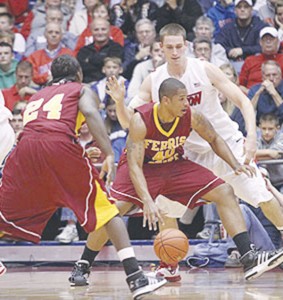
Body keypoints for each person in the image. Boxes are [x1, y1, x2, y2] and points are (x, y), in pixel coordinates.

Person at [105, 23, 283, 279]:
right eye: (169, 47)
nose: (175, 52)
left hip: (225, 143)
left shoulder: (203, 68)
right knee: (167, 209)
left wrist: (252, 137)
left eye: (179, 46)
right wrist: (119, 102)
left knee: (260, 194)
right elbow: (128, 122)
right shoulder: (154, 80)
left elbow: (243, 100)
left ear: (186, 45)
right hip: (188, 155)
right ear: (161, 48)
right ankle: (169, 264)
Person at [69, 77, 283, 286]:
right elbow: (134, 165)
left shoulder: (191, 115)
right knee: (112, 213)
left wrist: (235, 164)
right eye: (181, 99)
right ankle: (83, 264)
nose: (186, 103)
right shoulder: (141, 120)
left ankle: (248, 257)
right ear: (165, 101)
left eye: (187, 98)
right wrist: (148, 201)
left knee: (224, 190)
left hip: (173, 165)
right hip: (141, 168)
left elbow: (214, 138)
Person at [0, 54, 166, 299]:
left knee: (5, 210)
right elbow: (88, 112)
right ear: (78, 73)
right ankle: (136, 277)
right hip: (56, 147)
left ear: (51, 76)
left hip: (24, 150)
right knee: (108, 212)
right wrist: (108, 152)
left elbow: (43, 134)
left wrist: (74, 152)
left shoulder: (37, 95)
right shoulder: (80, 89)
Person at [239, 27, 283, 94]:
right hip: (252, 97)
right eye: (265, 39)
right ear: (260, 42)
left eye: (271, 39)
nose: (268, 42)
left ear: (278, 42)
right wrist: (251, 93)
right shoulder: (250, 60)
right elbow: (240, 85)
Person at [248, 60, 283, 125]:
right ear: (263, 77)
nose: (271, 78)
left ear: (280, 76)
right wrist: (258, 93)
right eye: (268, 75)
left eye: (274, 75)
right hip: (260, 128)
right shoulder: (255, 89)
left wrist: (274, 94)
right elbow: (247, 114)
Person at [256, 113, 283, 192]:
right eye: (264, 129)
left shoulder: (281, 138)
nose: (266, 132)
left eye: (270, 129)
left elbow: (275, 154)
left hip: (281, 181)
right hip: (264, 182)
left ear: (277, 128)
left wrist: (257, 155)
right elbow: (249, 154)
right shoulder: (256, 138)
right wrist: (269, 153)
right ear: (260, 128)